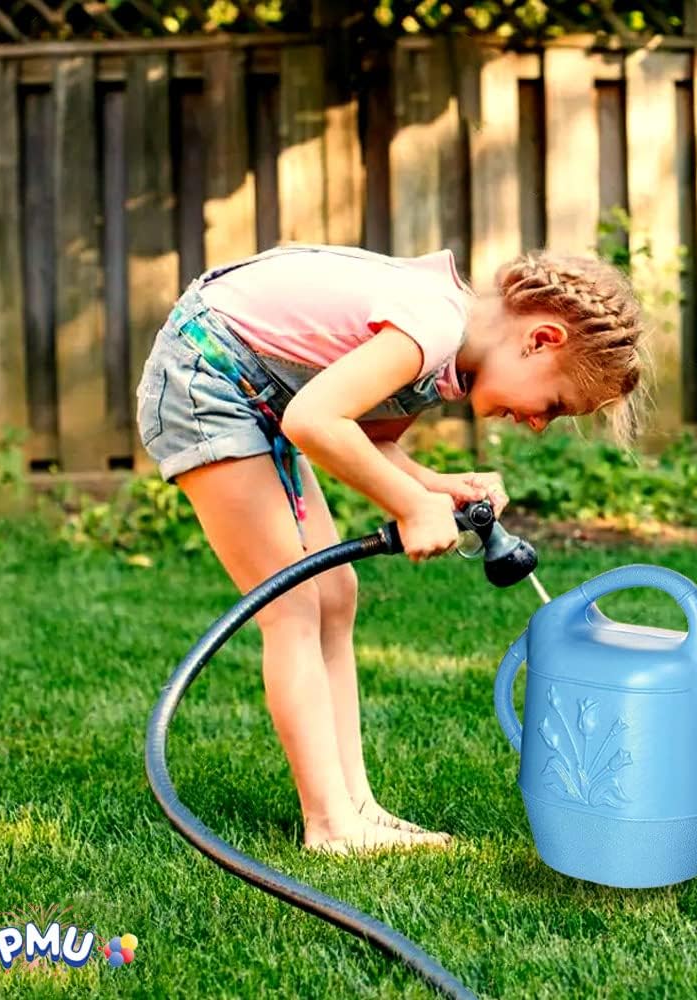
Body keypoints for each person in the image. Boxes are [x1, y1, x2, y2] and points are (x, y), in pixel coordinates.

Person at [135, 244, 647, 855]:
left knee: (336, 594)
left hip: (258, 393)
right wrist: (410, 506)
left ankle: (357, 807)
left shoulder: (445, 358)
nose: (539, 424)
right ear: (540, 339)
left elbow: (367, 437)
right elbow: (313, 421)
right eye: (555, 406)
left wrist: (434, 487)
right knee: (292, 606)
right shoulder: (432, 327)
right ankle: (329, 825)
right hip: (207, 377)